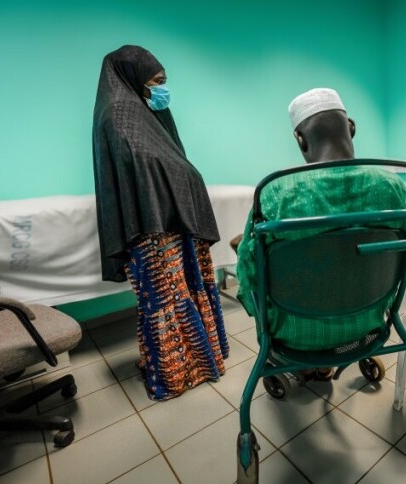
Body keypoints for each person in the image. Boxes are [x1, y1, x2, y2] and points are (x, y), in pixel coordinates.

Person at [236, 88, 406, 380]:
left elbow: (249, 273)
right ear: (351, 128)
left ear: (301, 139)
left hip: (295, 336)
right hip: (368, 326)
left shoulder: (276, 193)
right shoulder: (393, 187)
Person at [92, 45, 229, 401]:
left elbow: (171, 159)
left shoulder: (144, 113)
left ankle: (201, 360)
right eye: (156, 81)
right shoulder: (119, 115)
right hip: (153, 227)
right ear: (133, 78)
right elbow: (145, 167)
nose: (162, 89)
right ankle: (176, 373)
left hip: (172, 219)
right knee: (167, 300)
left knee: (185, 291)